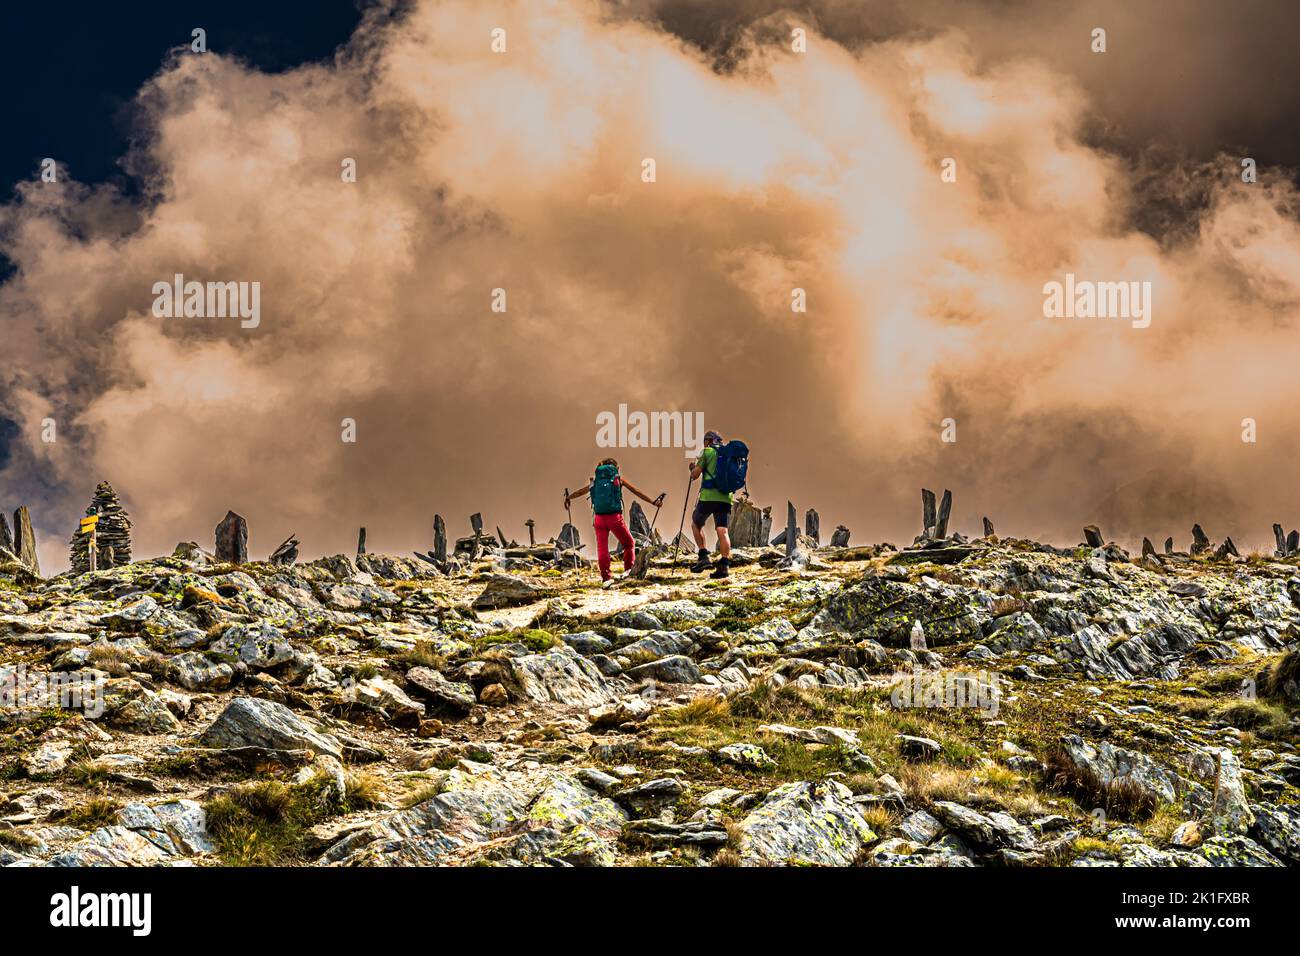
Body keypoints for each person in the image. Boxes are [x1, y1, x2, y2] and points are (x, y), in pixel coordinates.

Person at [565, 458, 665, 587]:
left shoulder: (595, 481)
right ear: (616, 468)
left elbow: (580, 492)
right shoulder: (617, 479)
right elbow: (636, 491)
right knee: (629, 543)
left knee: (602, 549)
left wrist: (568, 497)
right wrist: (653, 501)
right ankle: (628, 569)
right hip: (614, 518)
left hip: (599, 519)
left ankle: (606, 578)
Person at [689, 430, 732, 578]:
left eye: (704, 440)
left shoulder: (707, 452)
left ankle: (703, 557)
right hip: (726, 498)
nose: (703, 443)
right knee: (723, 531)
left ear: (709, 440)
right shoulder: (728, 454)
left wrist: (692, 469)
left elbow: (695, 474)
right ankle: (724, 566)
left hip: (708, 496)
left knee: (696, 523)